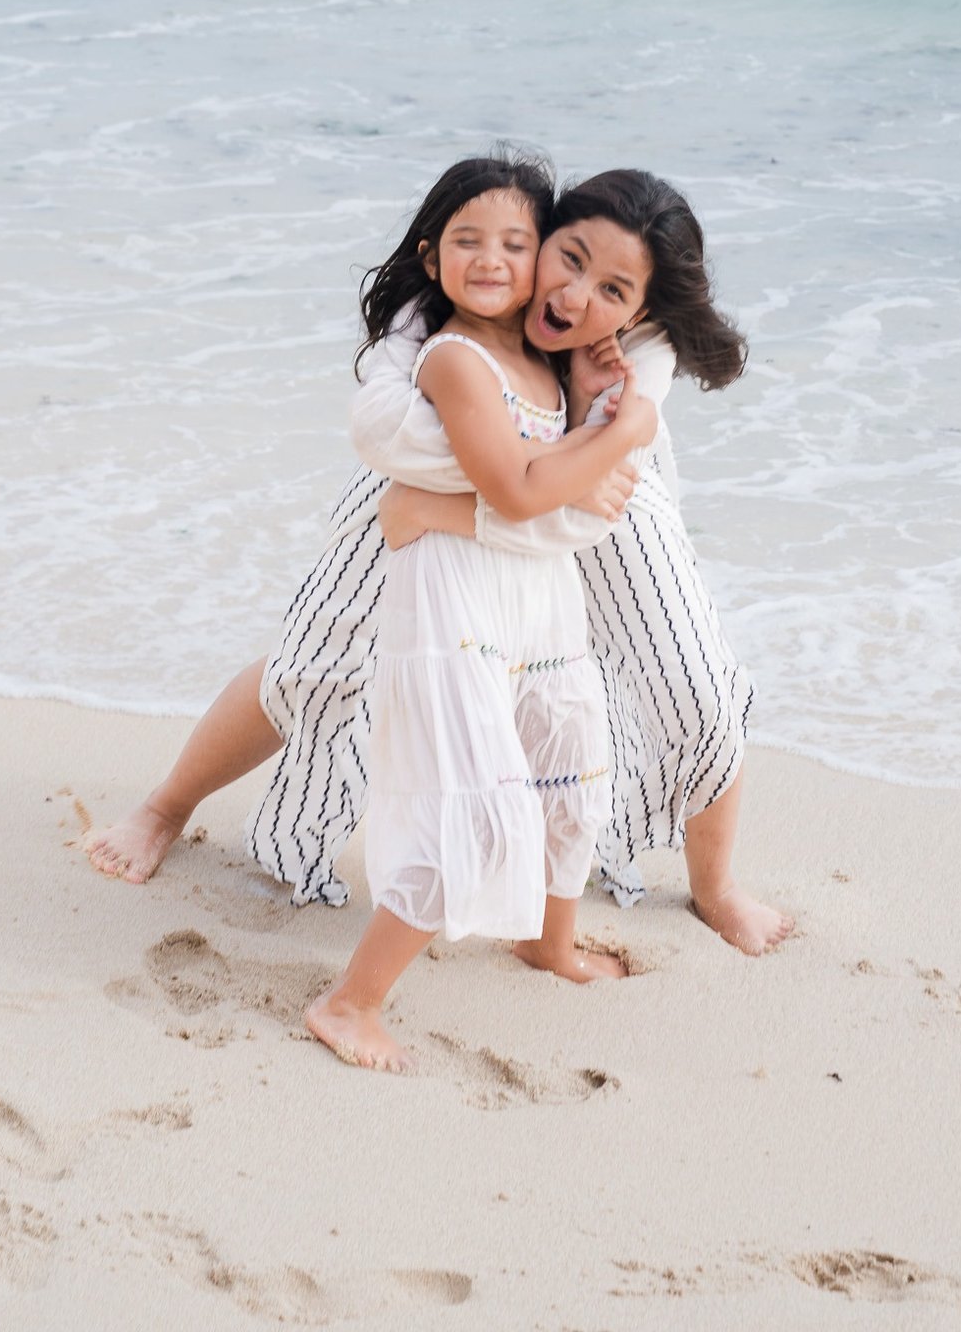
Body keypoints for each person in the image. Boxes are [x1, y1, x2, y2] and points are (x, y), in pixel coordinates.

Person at [86, 165, 791, 959]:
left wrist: (583, 448)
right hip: (433, 486)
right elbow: (387, 427)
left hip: (603, 495)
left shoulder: (640, 343)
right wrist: (504, 474)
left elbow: (611, 446)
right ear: (546, 233)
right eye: (568, 258)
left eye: (611, 287)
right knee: (314, 662)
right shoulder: (448, 312)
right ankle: (165, 808)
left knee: (690, 676)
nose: (572, 295)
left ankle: (715, 885)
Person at [305, 154, 656, 1070]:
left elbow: (556, 475)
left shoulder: (542, 361)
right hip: (456, 598)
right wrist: (620, 430)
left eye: (516, 242)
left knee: (569, 766)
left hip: (539, 603)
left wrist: (591, 398)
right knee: (477, 806)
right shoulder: (456, 361)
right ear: (432, 259)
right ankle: (351, 1003)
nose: (495, 259)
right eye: (468, 241)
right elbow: (522, 489)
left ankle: (548, 938)